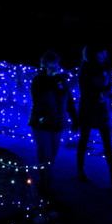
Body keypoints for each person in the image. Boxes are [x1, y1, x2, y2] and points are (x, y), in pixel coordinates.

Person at [28, 51, 76, 199]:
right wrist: (53, 82)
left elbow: (68, 99)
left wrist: (74, 117)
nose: (55, 69)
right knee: (45, 156)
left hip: (57, 124)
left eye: (56, 66)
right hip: (40, 124)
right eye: (51, 67)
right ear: (44, 66)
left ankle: (45, 185)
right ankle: (45, 189)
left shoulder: (62, 80)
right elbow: (37, 101)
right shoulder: (38, 81)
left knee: (52, 157)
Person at [76, 44, 112, 185]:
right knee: (84, 139)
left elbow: (108, 85)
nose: (105, 55)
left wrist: (111, 94)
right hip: (87, 109)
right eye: (101, 53)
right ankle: (80, 171)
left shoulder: (106, 67)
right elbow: (85, 91)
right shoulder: (84, 69)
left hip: (102, 110)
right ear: (92, 55)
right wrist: (102, 94)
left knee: (107, 142)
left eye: (105, 53)